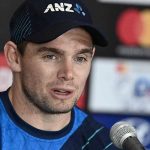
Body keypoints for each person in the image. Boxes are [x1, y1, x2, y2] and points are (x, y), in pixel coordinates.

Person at [0, 0, 119, 149]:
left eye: (80, 58)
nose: (68, 74)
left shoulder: (102, 144)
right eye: (51, 56)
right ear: (14, 57)